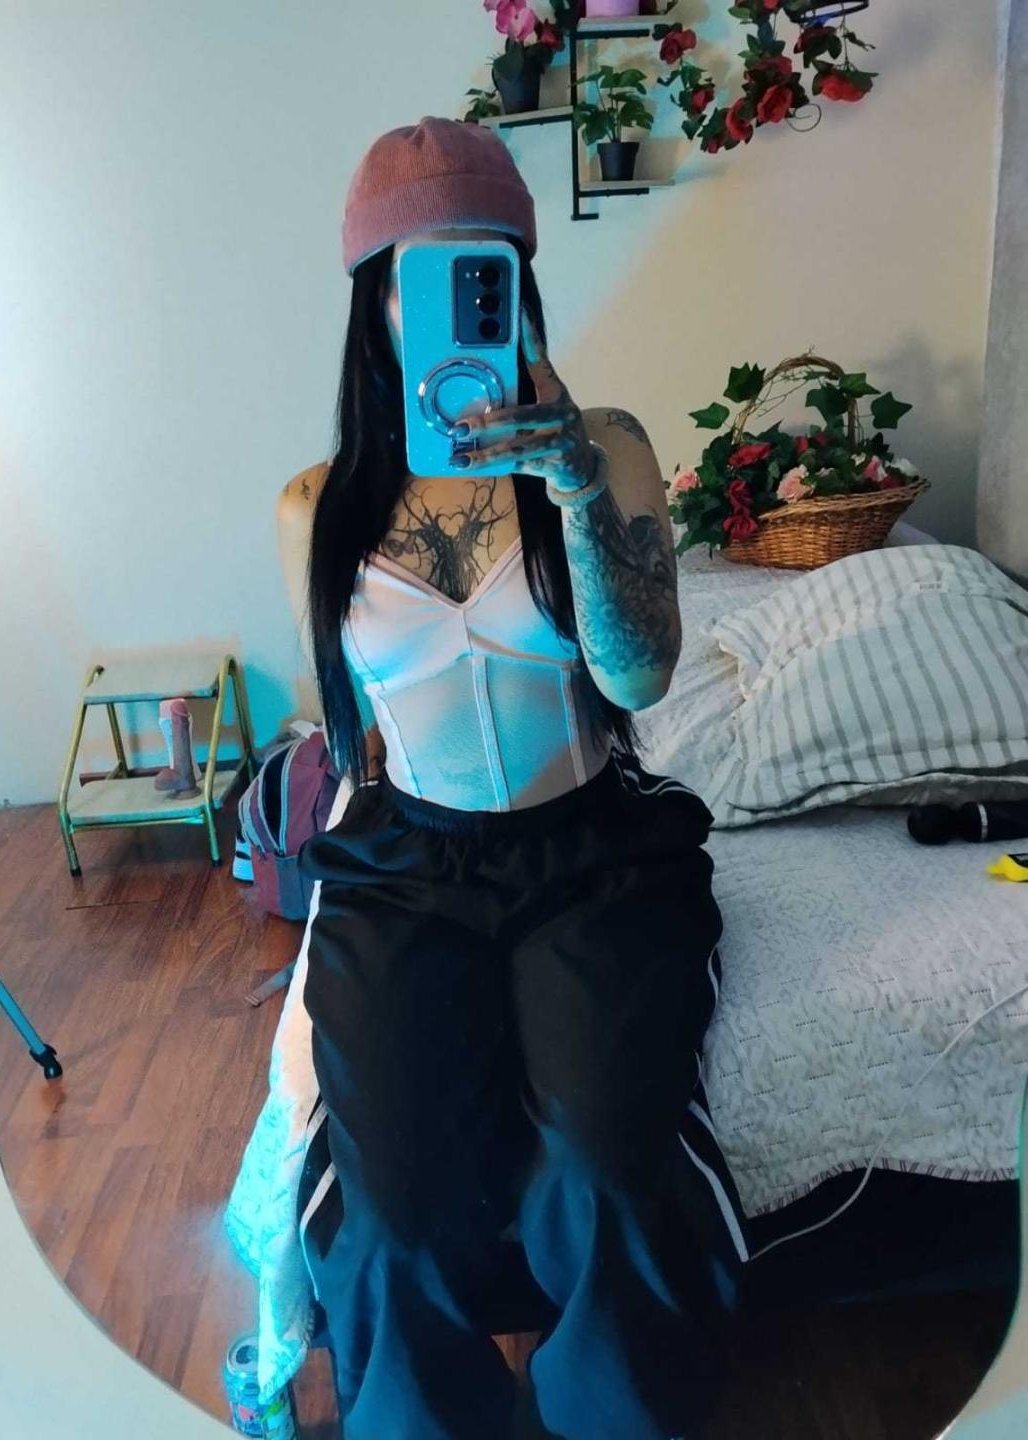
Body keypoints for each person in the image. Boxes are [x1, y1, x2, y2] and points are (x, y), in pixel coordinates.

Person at [278, 115, 750, 1440]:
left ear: (518, 286)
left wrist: (577, 487)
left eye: (478, 272)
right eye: (416, 279)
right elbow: (353, 734)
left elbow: (640, 677)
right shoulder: (314, 508)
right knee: (393, 1202)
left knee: (606, 1165)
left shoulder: (609, 443)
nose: (450, 309)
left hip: (591, 856)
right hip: (407, 867)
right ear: (375, 305)